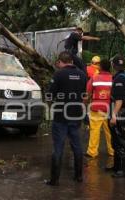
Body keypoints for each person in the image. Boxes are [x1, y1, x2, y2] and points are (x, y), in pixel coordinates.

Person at [45, 51, 87, 186]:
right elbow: (84, 95)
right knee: (77, 146)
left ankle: (54, 180)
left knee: (58, 147)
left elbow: (49, 95)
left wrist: (51, 105)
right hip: (76, 114)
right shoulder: (82, 74)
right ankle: (79, 176)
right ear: (72, 61)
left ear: (61, 61)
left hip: (61, 115)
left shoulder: (59, 74)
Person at [85, 59, 114, 158]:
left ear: (100, 67)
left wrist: (84, 104)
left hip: (96, 108)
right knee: (110, 132)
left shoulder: (94, 78)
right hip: (109, 109)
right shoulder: (113, 78)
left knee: (94, 131)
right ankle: (112, 151)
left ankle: (92, 152)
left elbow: (88, 93)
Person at [109, 55, 125, 178]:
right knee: (116, 141)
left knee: (120, 141)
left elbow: (119, 100)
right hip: (123, 111)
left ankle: (122, 170)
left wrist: (114, 115)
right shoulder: (124, 76)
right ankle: (117, 166)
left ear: (114, 66)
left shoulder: (119, 79)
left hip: (120, 113)